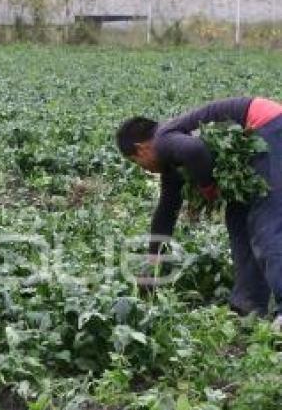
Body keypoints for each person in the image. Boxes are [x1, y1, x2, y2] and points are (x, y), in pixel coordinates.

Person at [116, 97, 282, 329]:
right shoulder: (171, 165)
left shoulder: (164, 139)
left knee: (266, 223)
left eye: (137, 163)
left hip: (267, 126)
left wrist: (208, 188)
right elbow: (166, 211)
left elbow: (195, 150)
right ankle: (248, 305)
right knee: (238, 221)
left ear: (141, 149)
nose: (145, 169)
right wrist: (153, 261)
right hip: (259, 137)